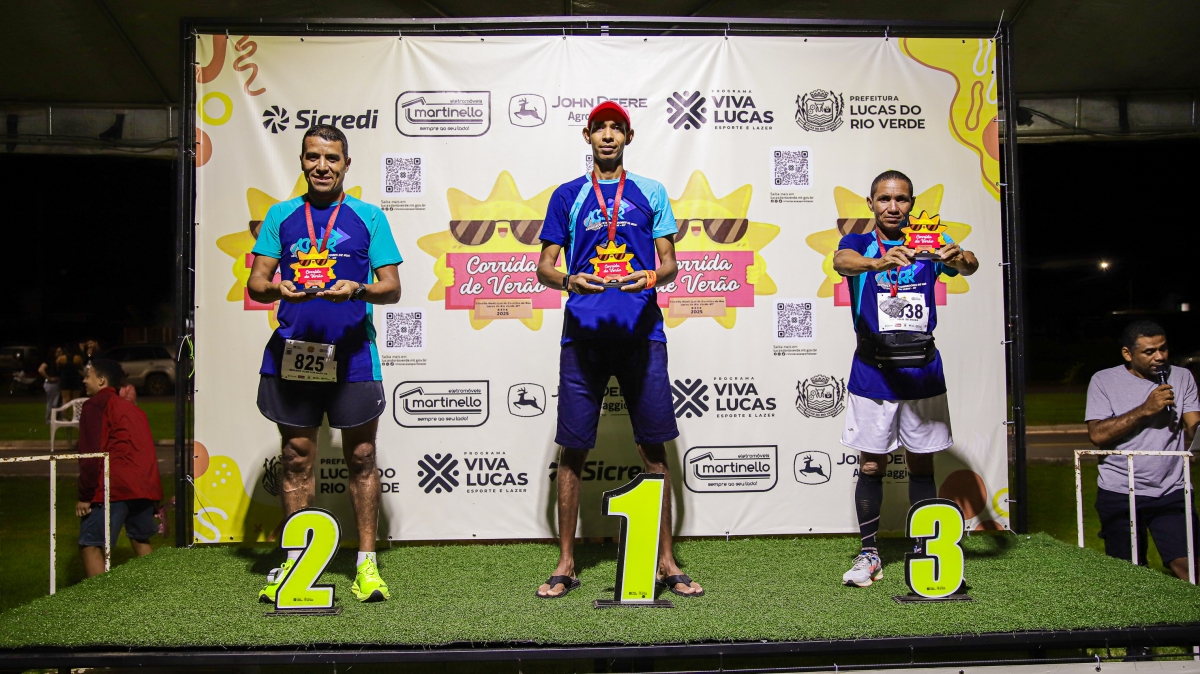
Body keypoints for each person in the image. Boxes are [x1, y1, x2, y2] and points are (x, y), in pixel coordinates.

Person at [534, 101, 702, 599]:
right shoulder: (567, 195)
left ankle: (666, 562)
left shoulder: (651, 192)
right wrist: (570, 280)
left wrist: (650, 276)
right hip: (582, 338)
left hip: (642, 335)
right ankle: (566, 562)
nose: (608, 136)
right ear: (587, 136)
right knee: (573, 448)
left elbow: (670, 263)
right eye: (600, 128)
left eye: (617, 129)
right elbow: (544, 267)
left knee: (653, 447)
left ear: (628, 137)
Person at [247, 123, 402, 603]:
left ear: (346, 164)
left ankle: (367, 565)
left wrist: (357, 288)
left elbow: (391, 288)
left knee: (362, 456)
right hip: (296, 354)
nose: (322, 166)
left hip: (353, 354)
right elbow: (256, 283)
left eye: (331, 158)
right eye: (313, 156)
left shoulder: (369, 217)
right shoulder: (281, 215)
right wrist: (277, 287)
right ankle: (296, 562)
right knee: (296, 457)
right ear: (302, 161)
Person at [831, 170, 978, 587]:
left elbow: (970, 265)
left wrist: (958, 258)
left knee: (921, 463)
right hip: (874, 370)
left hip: (922, 370)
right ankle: (869, 555)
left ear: (912, 203)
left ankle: (925, 550)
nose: (893, 207)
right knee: (871, 464)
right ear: (871, 203)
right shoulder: (859, 243)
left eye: (901, 199)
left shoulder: (929, 242)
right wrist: (878, 262)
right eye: (884, 199)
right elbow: (840, 262)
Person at [1086, 321, 1200, 580]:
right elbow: (1097, 435)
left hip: (1172, 488)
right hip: (1120, 490)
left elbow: (1193, 426)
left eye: (1163, 348)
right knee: (1130, 575)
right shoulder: (1104, 380)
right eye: (1149, 351)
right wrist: (1145, 410)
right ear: (1128, 353)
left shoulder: (1182, 377)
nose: (1159, 357)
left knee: (1189, 567)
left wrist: (1197, 431)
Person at [76, 359, 163, 577]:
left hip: (113, 486)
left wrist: (85, 495)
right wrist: (154, 495)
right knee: (141, 539)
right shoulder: (134, 410)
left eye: (88, 376)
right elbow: (147, 452)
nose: (84, 380)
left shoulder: (95, 405)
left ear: (101, 380)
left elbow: (91, 453)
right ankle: (158, 590)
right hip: (143, 487)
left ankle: (99, 596)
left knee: (90, 544)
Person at [38, 346, 63, 423]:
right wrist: (49, 378)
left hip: (57, 383)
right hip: (52, 384)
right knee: (52, 402)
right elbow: (41, 370)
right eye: (58, 352)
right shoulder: (49, 360)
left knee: (58, 402)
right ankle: (49, 419)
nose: (60, 353)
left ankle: (56, 418)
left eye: (61, 351)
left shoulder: (60, 361)